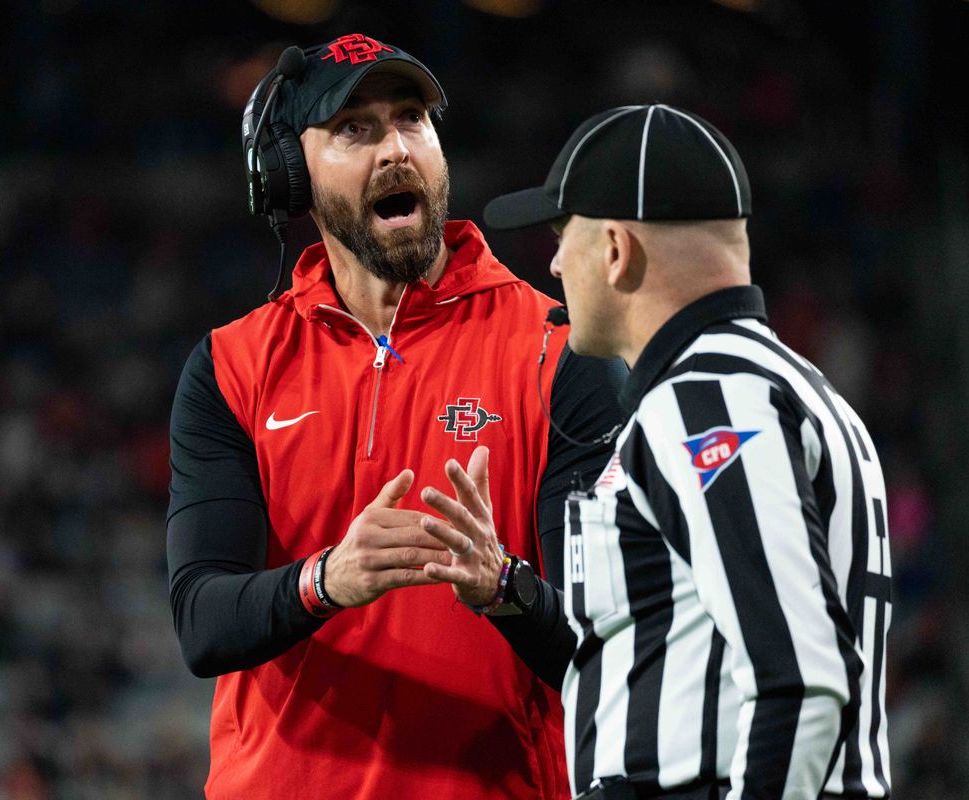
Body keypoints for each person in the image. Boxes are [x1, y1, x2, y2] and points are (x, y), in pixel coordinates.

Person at [165, 34, 627, 800]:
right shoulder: (231, 367)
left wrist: (504, 586)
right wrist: (326, 580)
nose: (395, 149)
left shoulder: (559, 352)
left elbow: (608, 649)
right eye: (354, 128)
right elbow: (202, 623)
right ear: (289, 174)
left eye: (412, 118)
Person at [418, 104, 892, 800]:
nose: (553, 263)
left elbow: (800, 681)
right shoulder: (782, 389)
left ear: (616, 249)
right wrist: (507, 587)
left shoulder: (711, 403)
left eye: (563, 236)